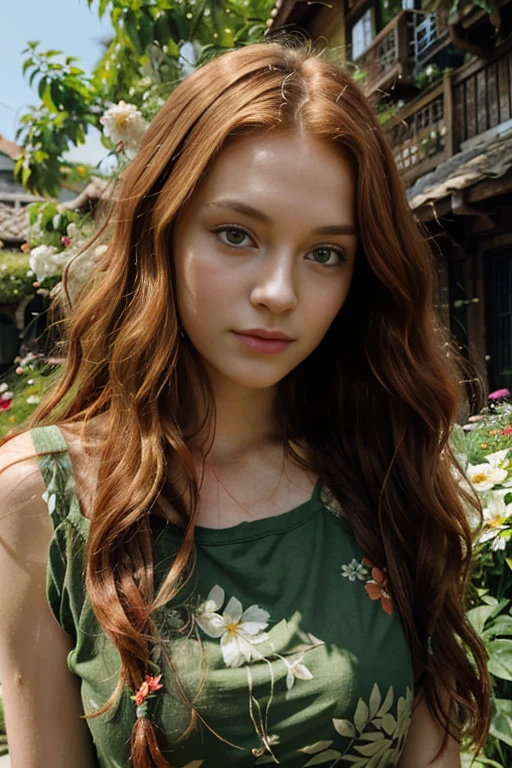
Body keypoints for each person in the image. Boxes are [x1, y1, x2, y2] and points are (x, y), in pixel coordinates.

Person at [0, 41, 490, 768]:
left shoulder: (386, 465)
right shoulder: (45, 498)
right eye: (237, 235)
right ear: (159, 231)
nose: (279, 292)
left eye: (326, 253)